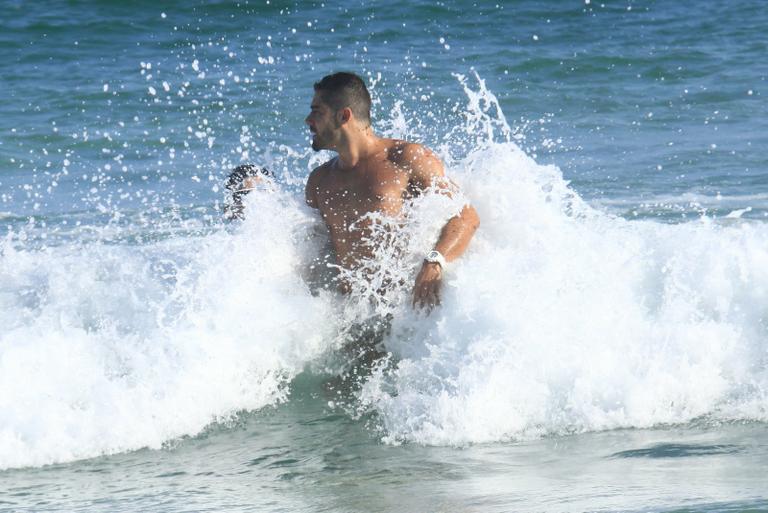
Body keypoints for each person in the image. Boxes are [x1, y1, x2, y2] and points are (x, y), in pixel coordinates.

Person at [304, 72, 479, 310]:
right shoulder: (319, 181)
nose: (308, 120)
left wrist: (435, 261)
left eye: (317, 111)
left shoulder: (405, 160)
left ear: (344, 115)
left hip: (404, 318)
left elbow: (466, 216)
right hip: (348, 320)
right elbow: (314, 249)